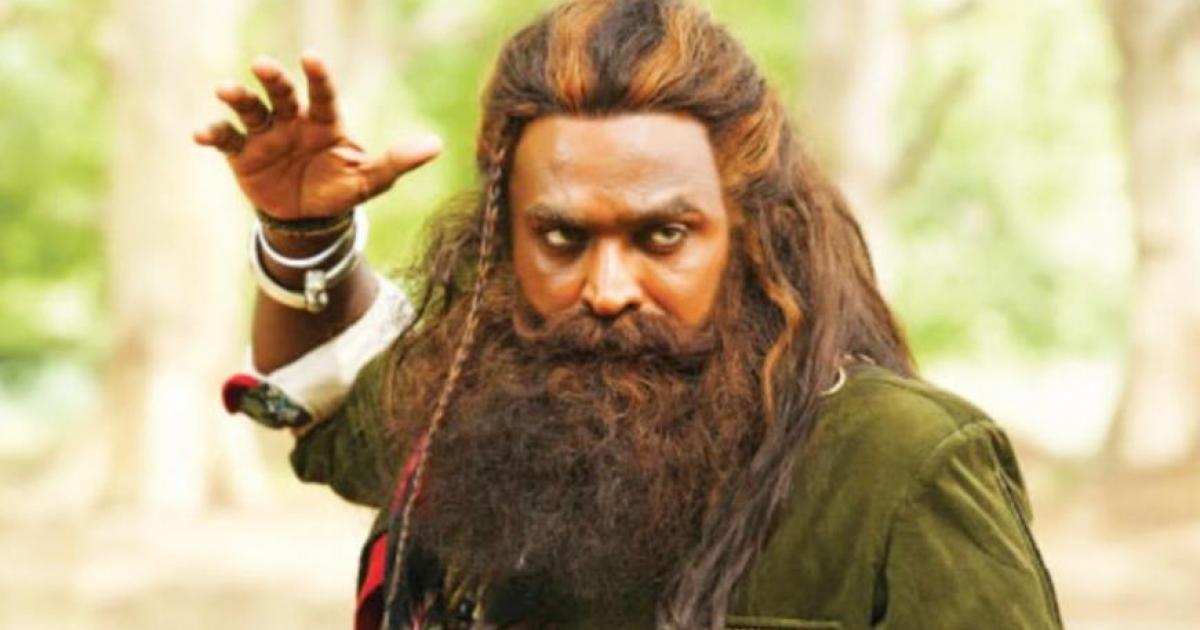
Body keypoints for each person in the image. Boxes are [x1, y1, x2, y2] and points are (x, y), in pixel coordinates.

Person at [195, 1, 1063, 628]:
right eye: (562, 237)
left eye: (662, 235)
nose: (607, 289)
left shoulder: (900, 464)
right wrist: (304, 237)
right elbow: (335, 405)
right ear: (505, 241)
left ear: (749, 234)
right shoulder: (481, 408)